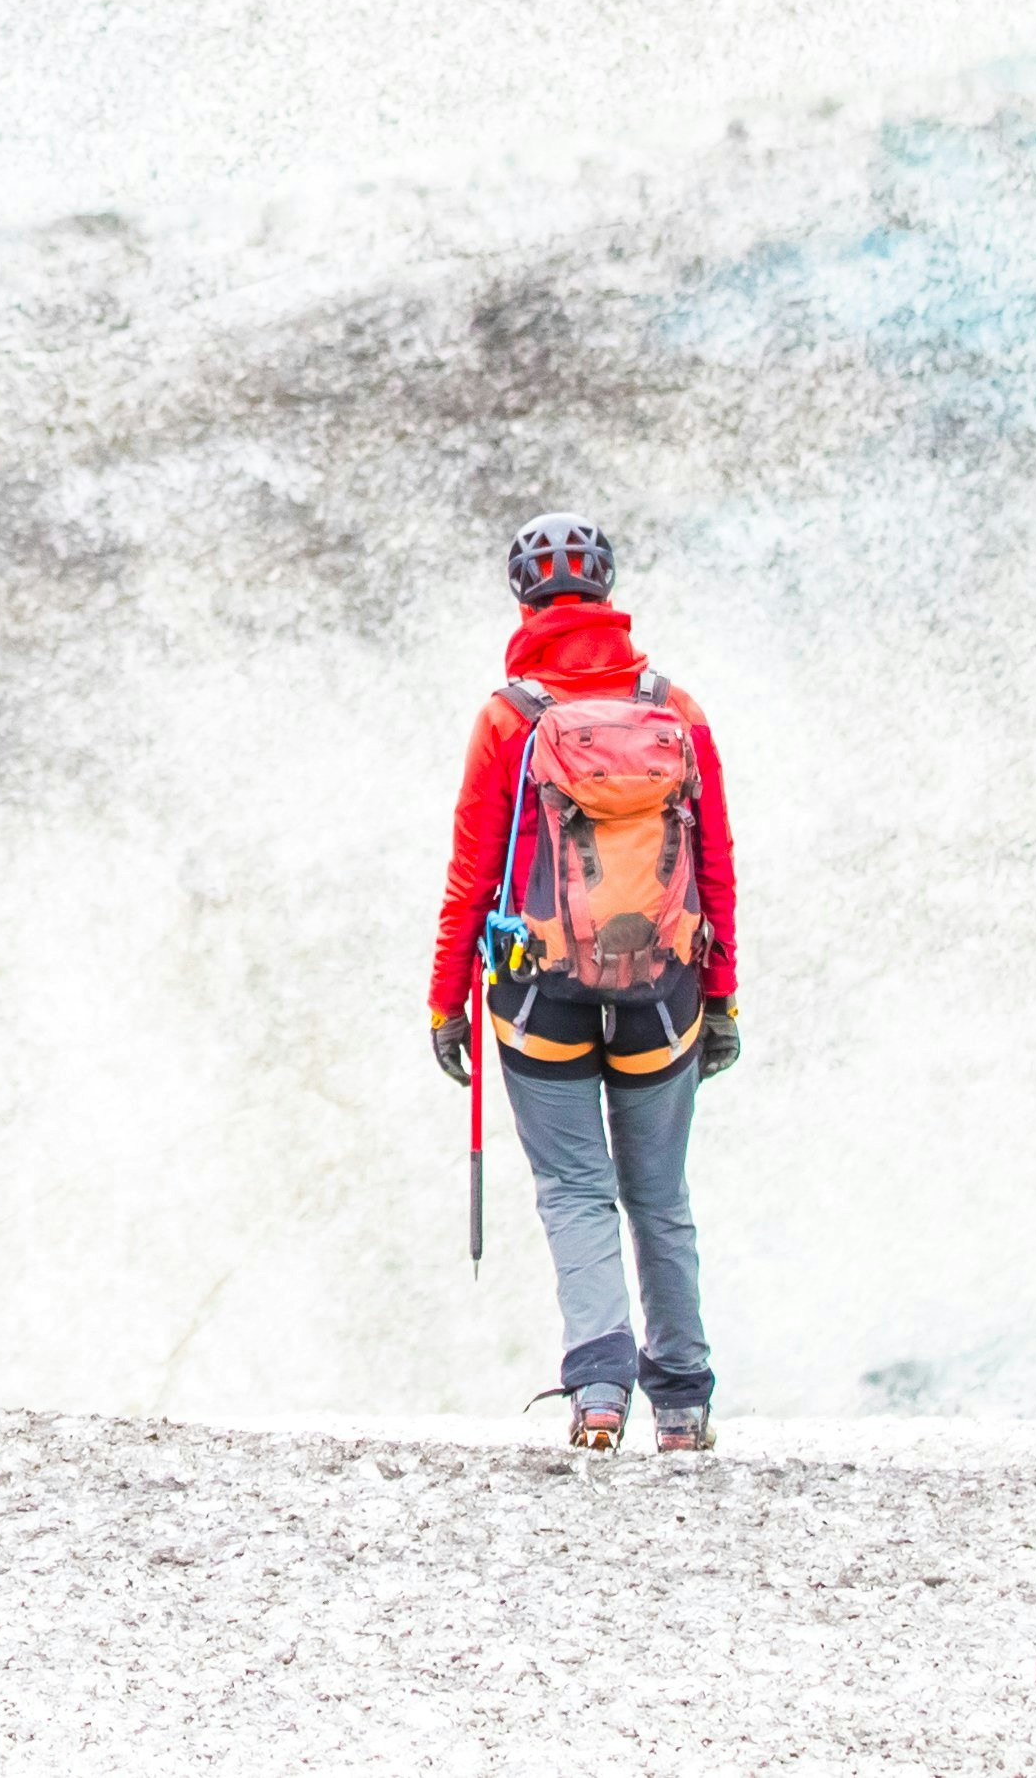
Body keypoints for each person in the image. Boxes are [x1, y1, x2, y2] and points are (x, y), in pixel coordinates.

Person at [430, 511, 738, 1452]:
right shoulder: (674, 708)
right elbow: (714, 856)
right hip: (663, 990)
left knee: (573, 1189)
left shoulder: (508, 715)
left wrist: (446, 1001)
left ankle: (600, 1395)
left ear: (523, 598)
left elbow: (471, 869)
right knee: (660, 1194)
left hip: (539, 993)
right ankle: (682, 1406)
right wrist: (719, 994)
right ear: (607, 593)